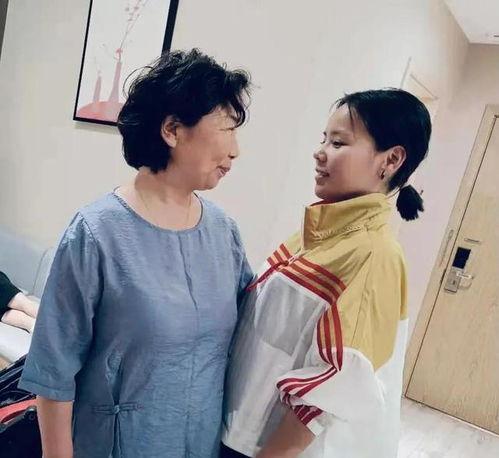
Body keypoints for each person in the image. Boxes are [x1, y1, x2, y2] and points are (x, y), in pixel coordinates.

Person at [19, 49, 253, 458]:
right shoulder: (96, 233)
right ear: (172, 130)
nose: (236, 150)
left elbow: (247, 336)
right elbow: (53, 370)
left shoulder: (223, 232)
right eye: (227, 128)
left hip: (200, 444)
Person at [222, 89, 432, 458]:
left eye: (338, 143)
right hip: (237, 429)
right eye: (324, 139)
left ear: (391, 159)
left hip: (263, 448)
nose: (320, 152)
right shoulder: (317, 232)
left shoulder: (374, 254)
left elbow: (336, 388)